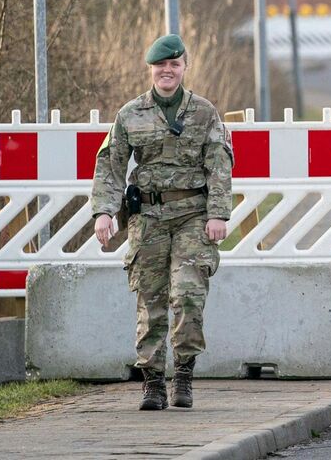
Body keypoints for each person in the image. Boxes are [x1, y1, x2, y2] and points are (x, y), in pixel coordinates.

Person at [91, 34, 234, 411]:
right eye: (160, 65)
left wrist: (218, 213)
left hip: (192, 215)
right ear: (151, 69)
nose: (167, 71)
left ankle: (183, 375)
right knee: (149, 300)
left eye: (174, 64)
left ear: (184, 67)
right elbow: (110, 164)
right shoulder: (130, 114)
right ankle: (152, 383)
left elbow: (219, 164)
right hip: (148, 219)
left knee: (188, 296)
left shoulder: (204, 113)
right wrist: (104, 211)